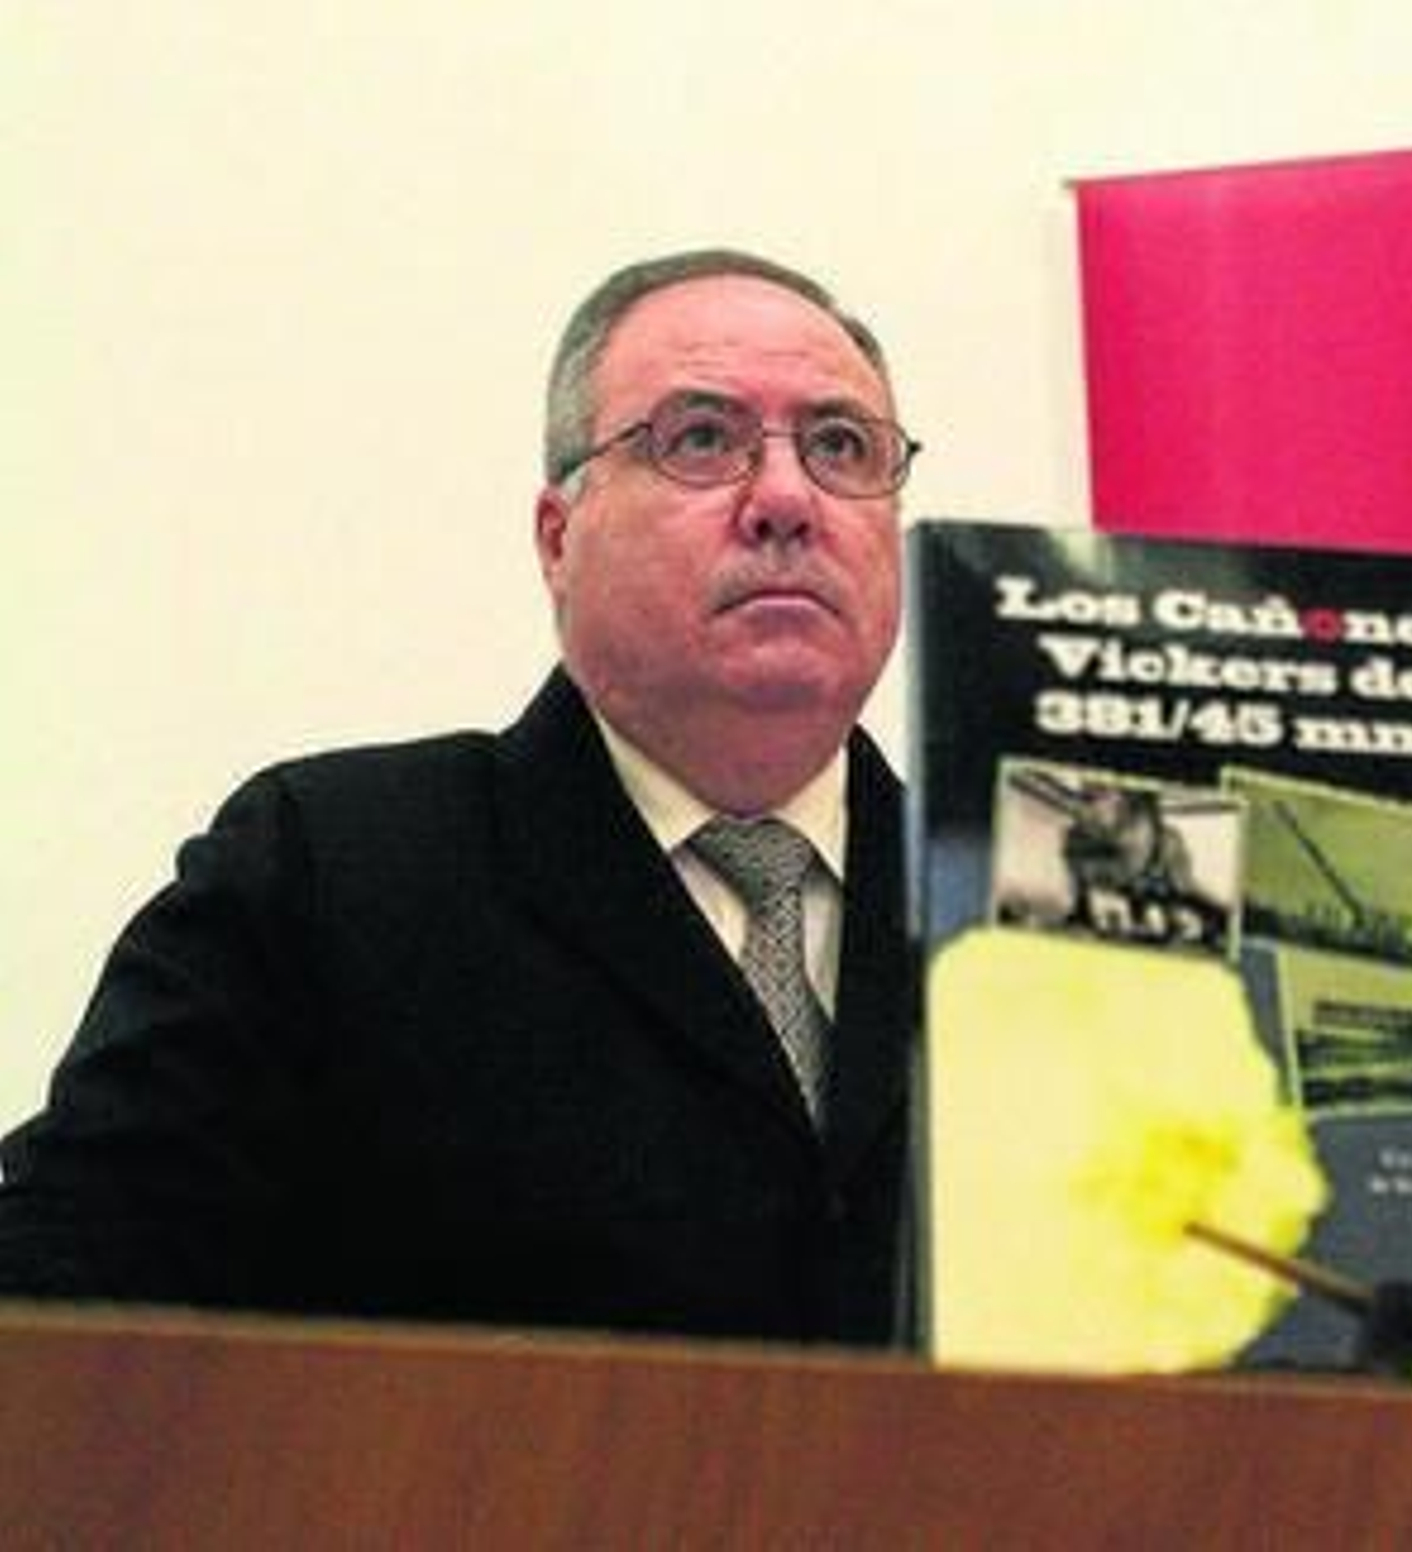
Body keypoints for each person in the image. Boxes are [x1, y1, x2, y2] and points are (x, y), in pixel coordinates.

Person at [0, 249, 920, 1347]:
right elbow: (62, 1295)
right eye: (701, 439)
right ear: (558, 538)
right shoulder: (330, 873)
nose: (785, 500)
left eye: (840, 446)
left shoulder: (1025, 903)